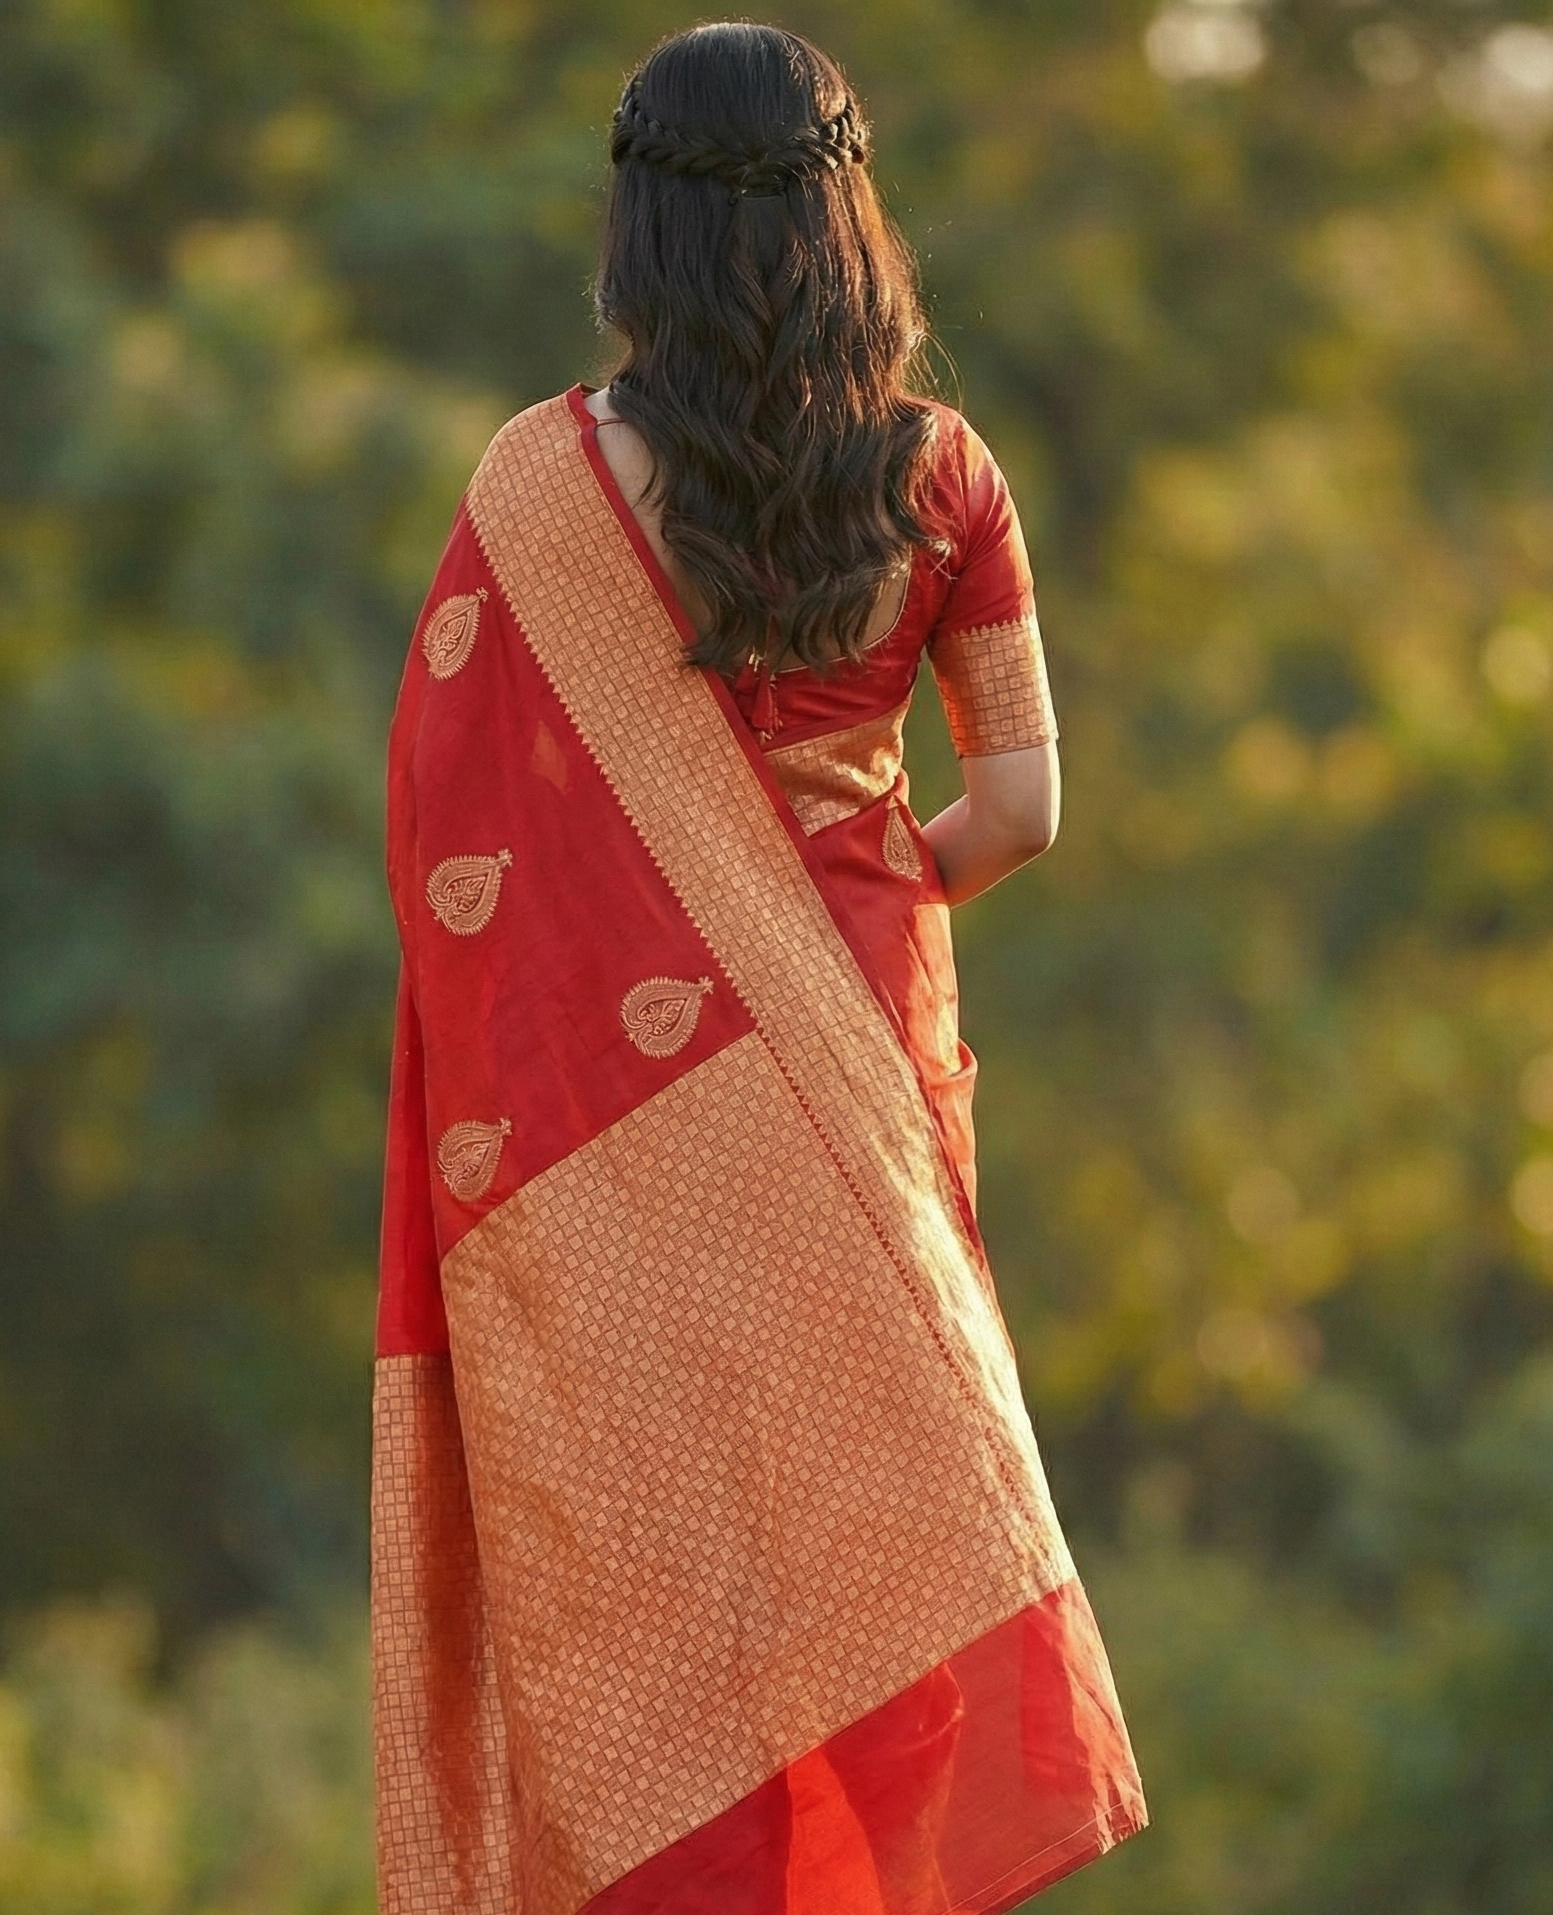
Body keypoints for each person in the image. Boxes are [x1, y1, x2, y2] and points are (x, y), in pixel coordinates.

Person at [372, 22, 1146, 1915]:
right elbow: (1025, 804)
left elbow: (455, 832)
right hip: (866, 1050)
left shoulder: (543, 480)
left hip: (609, 1113)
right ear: (849, 211)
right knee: (877, 1484)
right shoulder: (941, 475)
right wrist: (857, 896)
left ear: (635, 223)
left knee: (662, 1521)